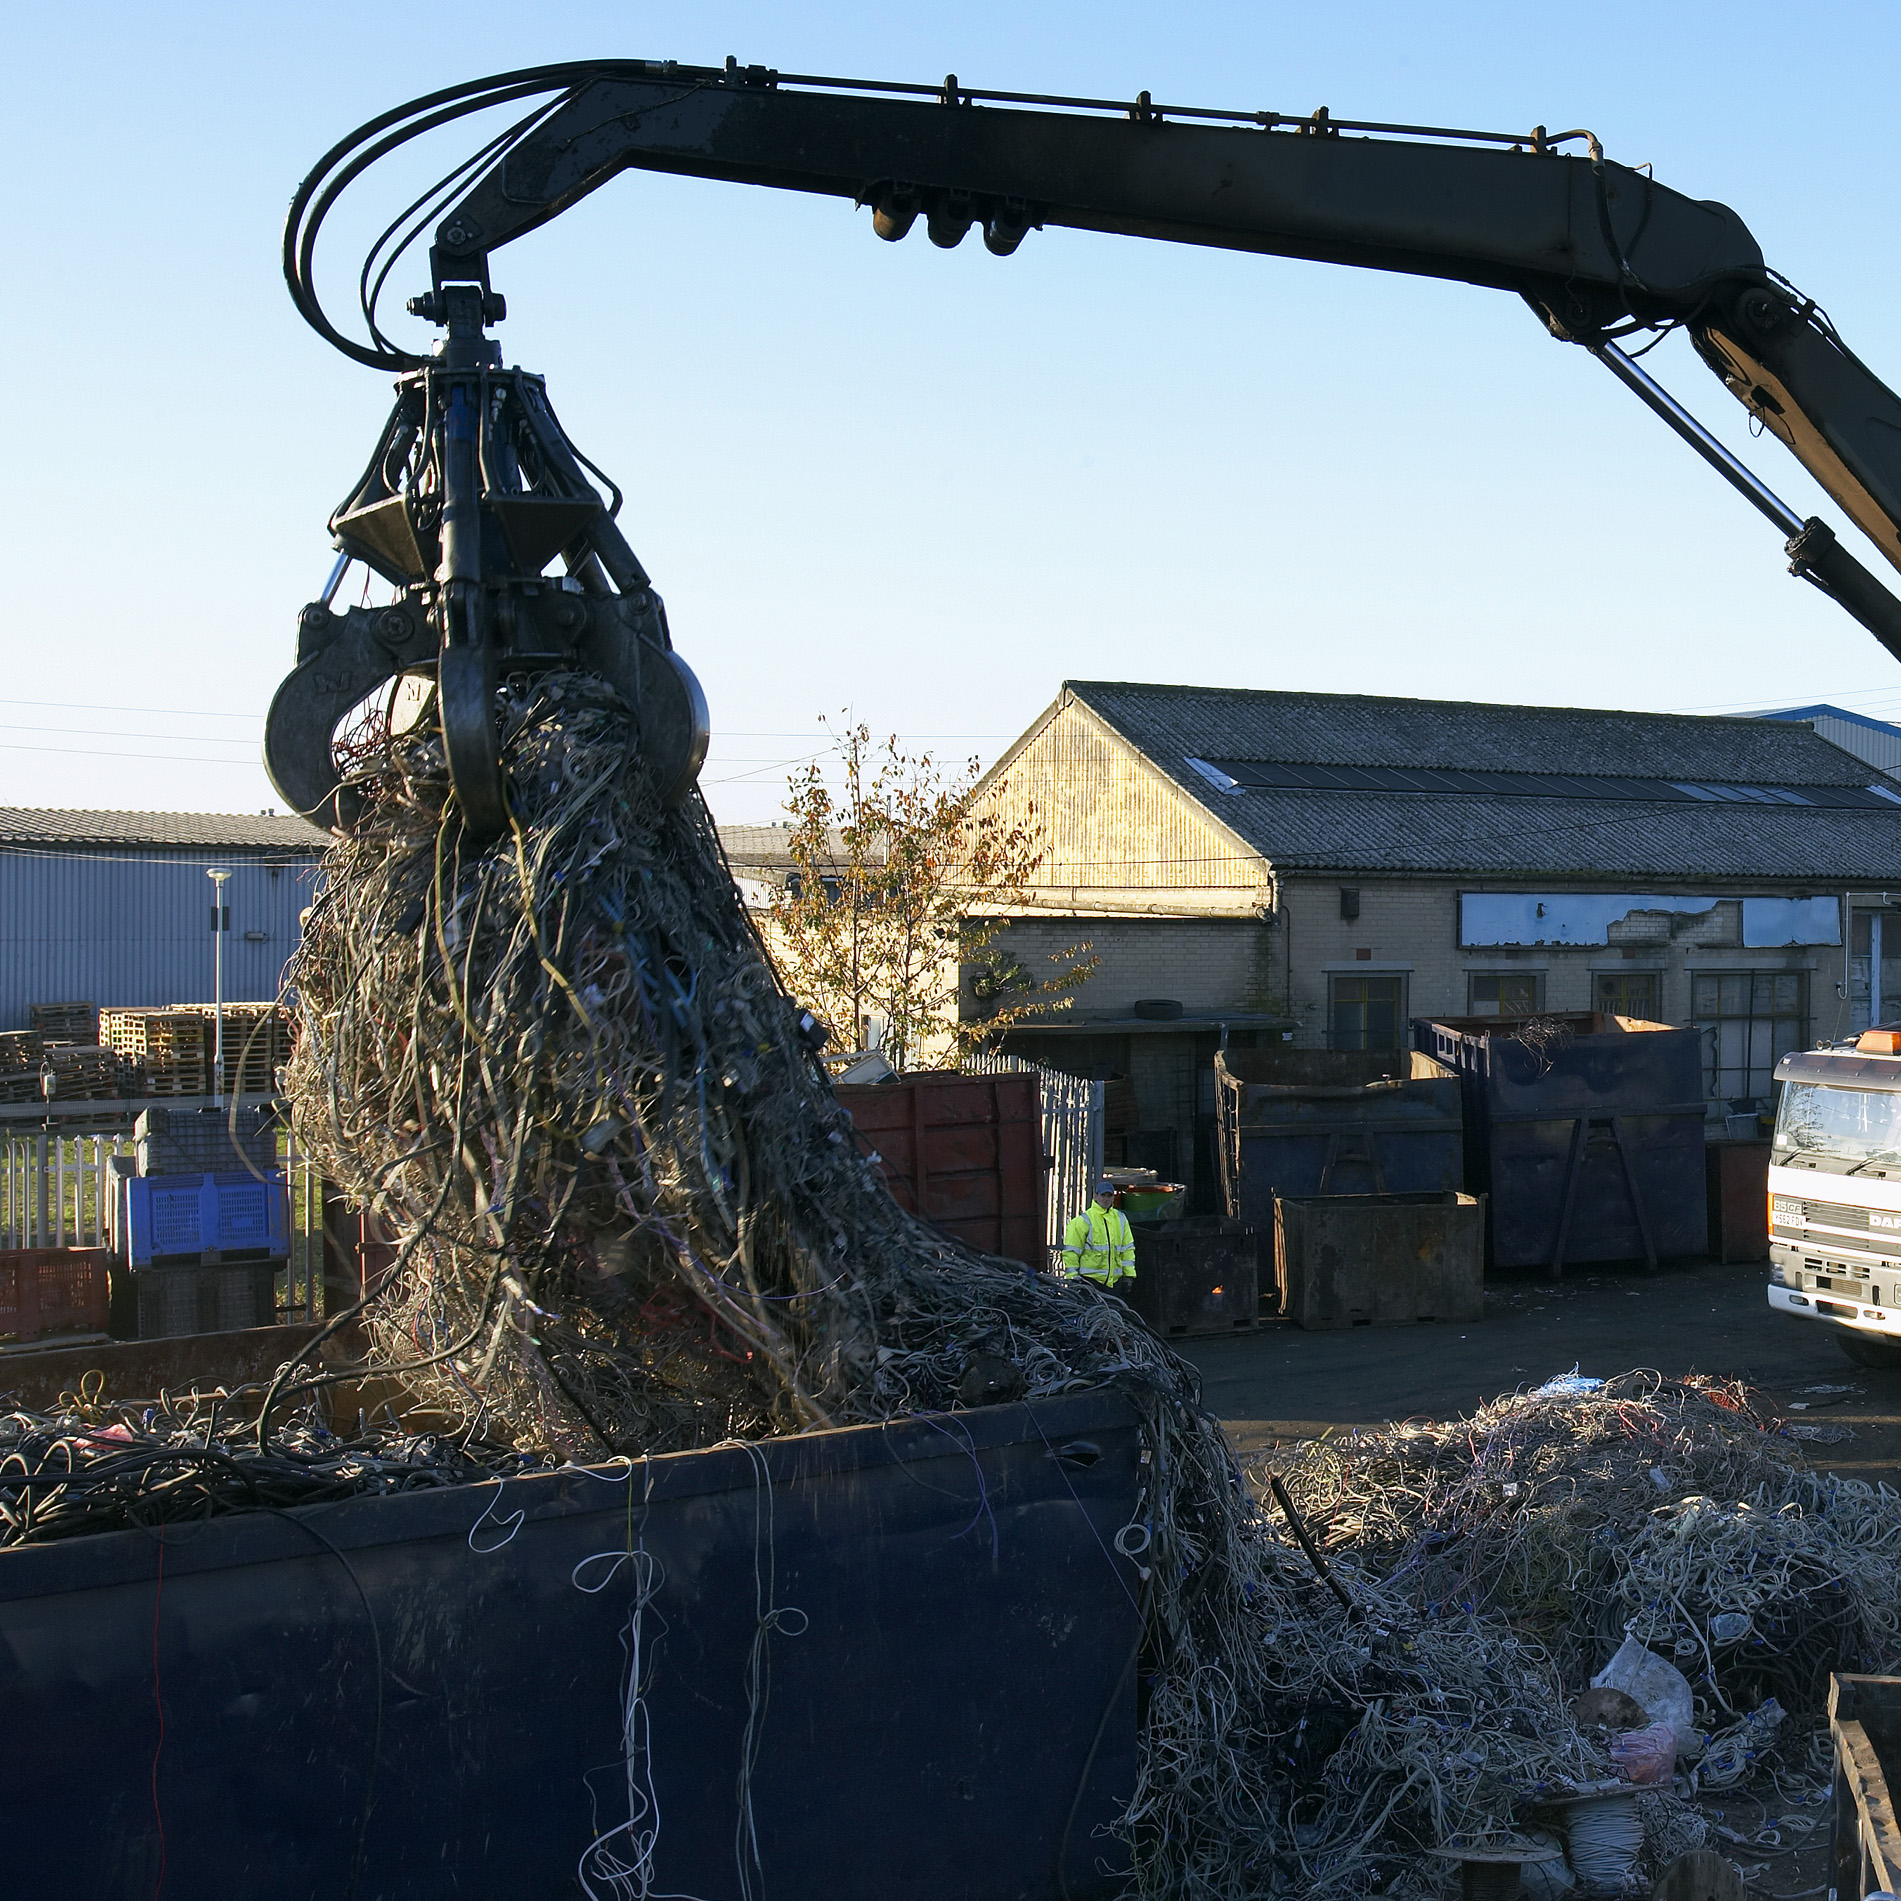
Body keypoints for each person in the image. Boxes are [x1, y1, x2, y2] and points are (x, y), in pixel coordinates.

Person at [1060, 1179, 1137, 1292]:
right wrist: (1073, 1277)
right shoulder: (1083, 1221)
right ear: (1095, 1196)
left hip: (1114, 1283)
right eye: (1103, 1195)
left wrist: (1128, 1275)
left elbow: (1128, 1249)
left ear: (1113, 1197)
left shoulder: (1120, 1219)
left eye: (1109, 1196)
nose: (1106, 1199)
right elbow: (1071, 1251)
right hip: (1089, 1282)